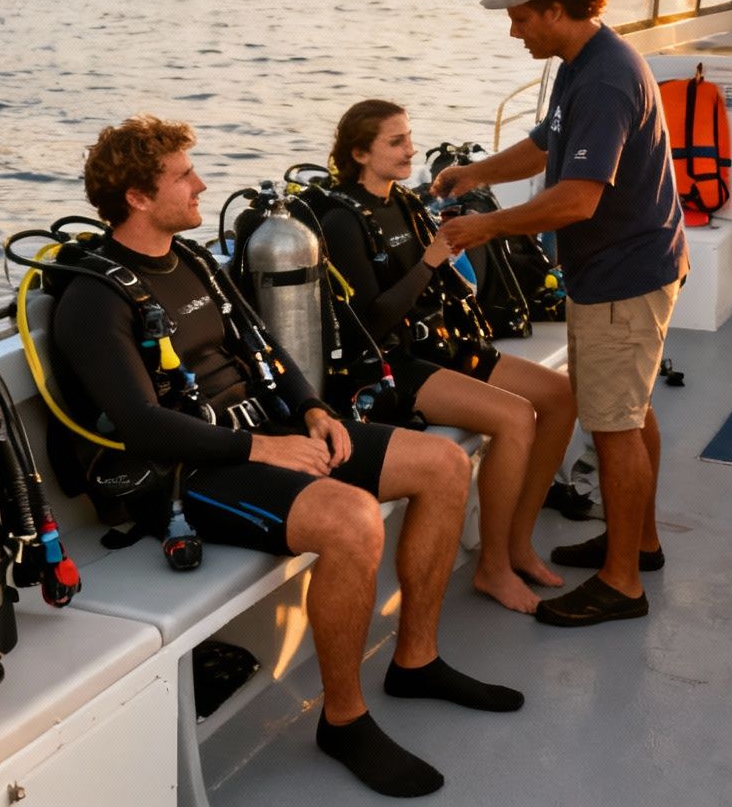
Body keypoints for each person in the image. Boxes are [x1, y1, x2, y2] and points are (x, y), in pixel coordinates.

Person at [51, 115, 522, 798]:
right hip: (185, 474)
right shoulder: (94, 299)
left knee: (444, 466)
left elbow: (265, 348)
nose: (201, 185)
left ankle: (415, 660)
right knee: (353, 518)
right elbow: (143, 426)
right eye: (184, 176)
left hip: (264, 433)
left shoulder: (190, 262)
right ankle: (344, 718)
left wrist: (314, 412)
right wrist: (266, 446)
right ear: (137, 198)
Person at [435, 0, 688, 629]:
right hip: (630, 266)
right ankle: (641, 540)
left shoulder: (604, 81)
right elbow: (549, 144)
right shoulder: (584, 62)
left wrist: (485, 227)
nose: (514, 31)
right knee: (628, 411)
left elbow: (576, 199)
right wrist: (475, 171)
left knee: (613, 428)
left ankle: (621, 583)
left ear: (556, 10)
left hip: (620, 278)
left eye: (520, 18)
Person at [316, 99, 578, 614]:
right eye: (396, 142)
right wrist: (430, 260)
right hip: (395, 364)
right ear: (359, 153)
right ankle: (493, 566)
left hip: (443, 344)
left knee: (561, 396)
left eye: (410, 137)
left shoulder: (404, 203)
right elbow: (372, 321)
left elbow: (441, 287)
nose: (410, 150)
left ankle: (518, 543)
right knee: (514, 417)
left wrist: (448, 256)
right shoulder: (342, 220)